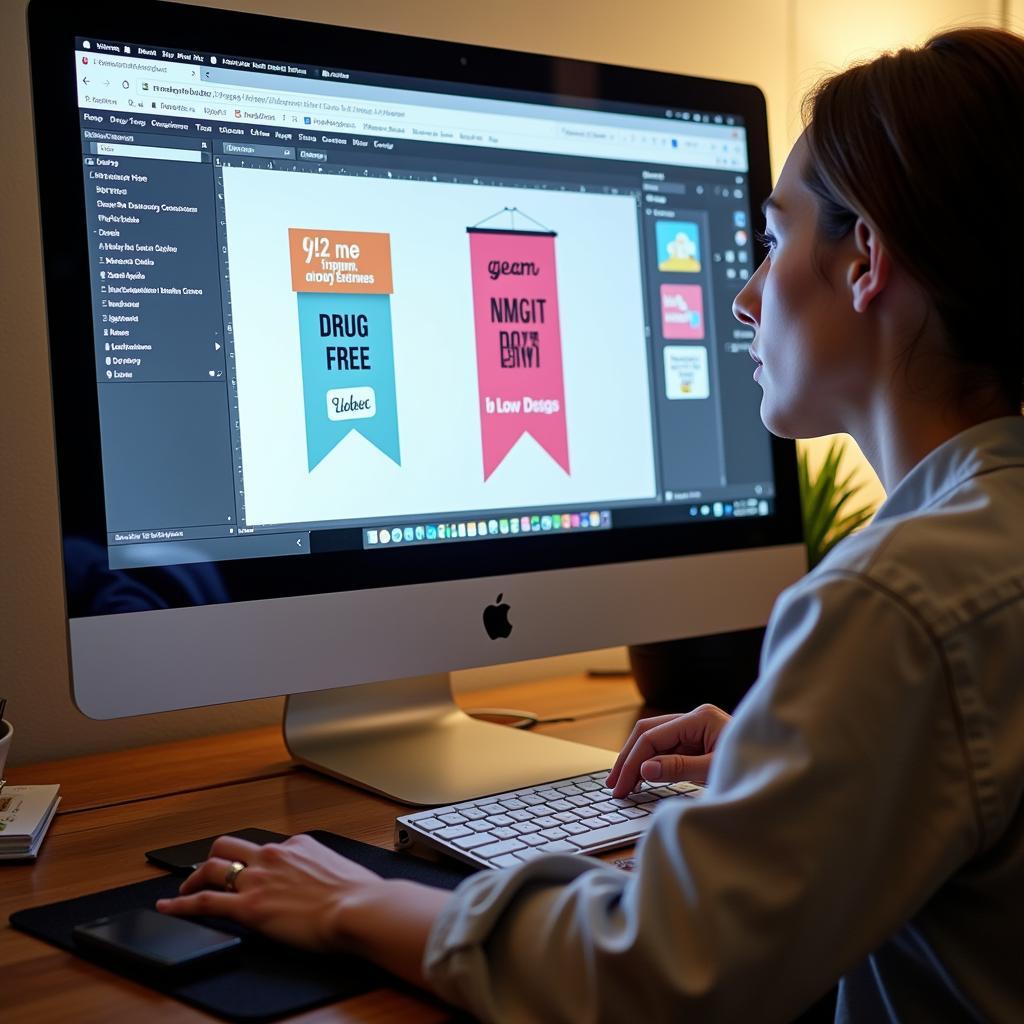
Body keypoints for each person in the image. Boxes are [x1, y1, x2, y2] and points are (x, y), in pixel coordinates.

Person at [158, 27, 1024, 1023]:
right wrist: (805, 759)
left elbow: (654, 971)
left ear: (865, 255)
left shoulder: (897, 604)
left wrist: (359, 902)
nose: (741, 297)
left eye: (775, 238)